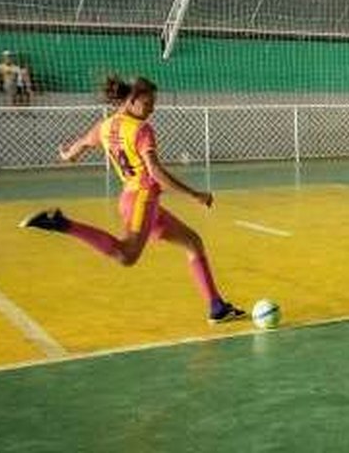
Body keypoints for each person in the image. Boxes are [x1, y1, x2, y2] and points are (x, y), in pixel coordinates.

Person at [19, 75, 246, 323]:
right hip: (142, 199)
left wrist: (65, 154)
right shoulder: (141, 130)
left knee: (193, 242)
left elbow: (79, 147)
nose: (152, 109)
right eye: (148, 103)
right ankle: (63, 224)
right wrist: (195, 195)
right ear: (132, 100)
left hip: (133, 198)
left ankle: (217, 307)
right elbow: (155, 173)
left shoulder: (105, 126)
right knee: (126, 255)